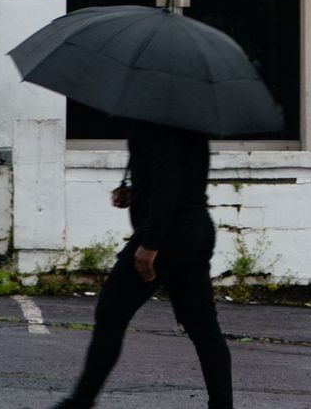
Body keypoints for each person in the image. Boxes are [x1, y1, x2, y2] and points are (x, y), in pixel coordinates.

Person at [50, 120, 232, 409]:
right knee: (202, 325)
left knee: (111, 314)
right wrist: (136, 193)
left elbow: (168, 179)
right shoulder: (191, 124)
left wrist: (150, 243)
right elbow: (176, 177)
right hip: (195, 229)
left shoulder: (155, 123)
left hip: (168, 235)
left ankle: (79, 404)